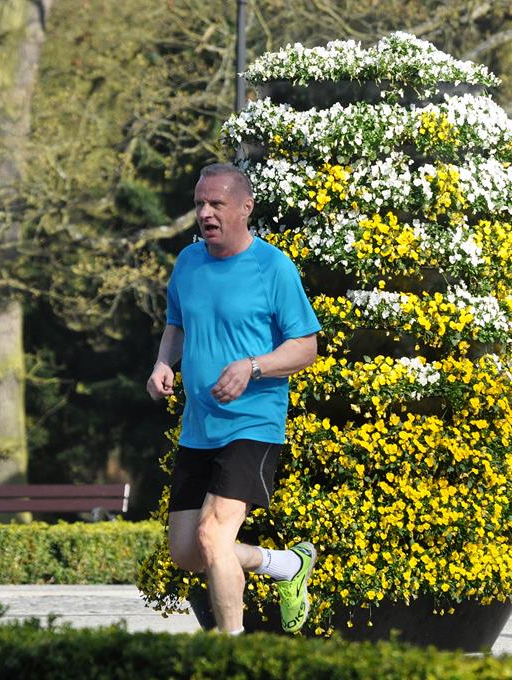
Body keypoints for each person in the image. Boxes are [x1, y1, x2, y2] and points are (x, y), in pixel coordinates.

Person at [146, 163, 321, 635]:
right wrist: (163, 363)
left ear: (245, 208)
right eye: (200, 203)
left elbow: (306, 347)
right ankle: (285, 564)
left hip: (253, 423)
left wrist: (253, 366)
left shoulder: (273, 267)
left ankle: (231, 653)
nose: (205, 213)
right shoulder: (188, 262)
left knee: (213, 534)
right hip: (199, 427)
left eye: (216, 204)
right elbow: (177, 325)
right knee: (187, 552)